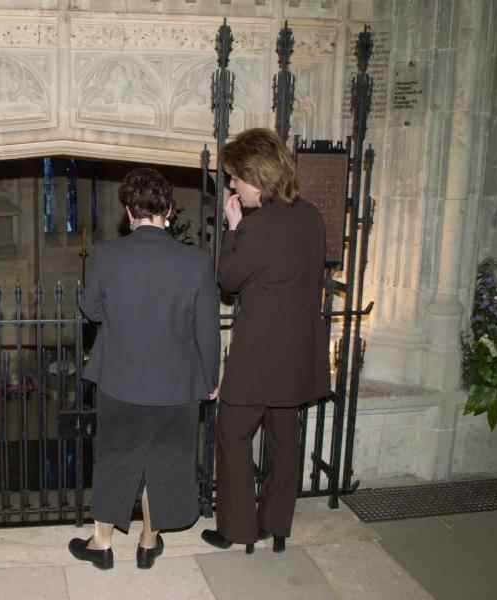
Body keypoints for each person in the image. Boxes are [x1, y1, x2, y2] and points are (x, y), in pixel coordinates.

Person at [69, 167, 221, 570]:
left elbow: (91, 309)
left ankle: (101, 545)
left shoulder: (108, 254)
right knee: (164, 464)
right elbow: (207, 328)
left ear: (129, 210)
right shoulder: (197, 262)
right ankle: (148, 543)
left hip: (120, 378)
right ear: (168, 210)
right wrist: (210, 380)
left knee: (115, 458)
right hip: (177, 384)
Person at [201, 128, 328, 554]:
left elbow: (228, 280)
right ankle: (277, 526)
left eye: (236, 177)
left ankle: (239, 529)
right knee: (283, 440)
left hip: (257, 357)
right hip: (297, 355)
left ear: (257, 176)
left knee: (232, 434)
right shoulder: (311, 216)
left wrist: (234, 228)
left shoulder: (257, 227)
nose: (232, 186)